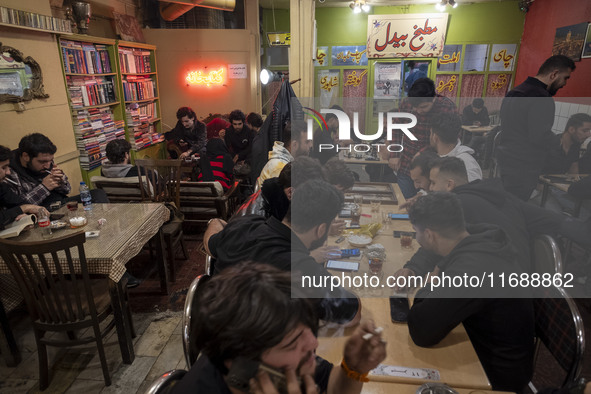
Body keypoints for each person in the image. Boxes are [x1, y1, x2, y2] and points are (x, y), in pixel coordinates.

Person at [172, 263, 386, 394]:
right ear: (243, 366)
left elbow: (330, 385)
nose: (313, 343)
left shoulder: (288, 363)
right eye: (293, 342)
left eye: (308, 330)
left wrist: (353, 369)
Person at [406, 192, 535, 392]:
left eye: (416, 231)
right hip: (493, 349)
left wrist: (432, 283)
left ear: (430, 234)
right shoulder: (478, 239)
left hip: (496, 376)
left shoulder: (472, 268)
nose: (417, 238)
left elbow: (421, 330)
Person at [204, 180, 361, 326]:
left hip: (213, 332)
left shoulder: (246, 224)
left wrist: (214, 222)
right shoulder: (301, 268)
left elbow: (209, 243)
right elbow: (353, 315)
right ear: (321, 230)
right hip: (253, 349)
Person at [498, 55, 576, 201]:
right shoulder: (541, 97)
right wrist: (559, 142)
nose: (564, 84)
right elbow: (539, 136)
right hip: (524, 165)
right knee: (516, 205)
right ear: (553, 74)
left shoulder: (515, 91)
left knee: (507, 202)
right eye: (565, 78)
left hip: (506, 158)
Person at [388, 78, 457, 198]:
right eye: (415, 108)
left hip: (432, 168)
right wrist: (394, 153)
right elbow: (395, 127)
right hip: (407, 164)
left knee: (428, 203)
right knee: (404, 201)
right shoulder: (406, 103)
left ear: (434, 98)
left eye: (423, 107)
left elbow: (449, 141)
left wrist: (423, 152)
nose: (419, 111)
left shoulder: (446, 107)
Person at [5, 133, 108, 208]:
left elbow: (67, 190)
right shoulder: (9, 172)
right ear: (26, 156)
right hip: (40, 211)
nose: (47, 165)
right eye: (42, 162)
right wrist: (44, 187)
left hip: (59, 202)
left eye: (50, 160)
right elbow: (19, 207)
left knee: (97, 194)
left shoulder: (47, 162)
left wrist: (61, 181)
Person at [0, 145, 47, 230]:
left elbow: (18, 202)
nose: (8, 172)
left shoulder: (1, 185)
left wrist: (24, 216)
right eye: (4, 167)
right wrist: (25, 208)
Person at [429, 112, 482, 182]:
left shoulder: (466, 165)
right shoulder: (439, 157)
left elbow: (473, 191)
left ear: (435, 137)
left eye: (430, 133)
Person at [257, 120, 311, 189]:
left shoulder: (285, 164)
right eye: (307, 142)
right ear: (294, 145)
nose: (310, 145)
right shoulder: (280, 168)